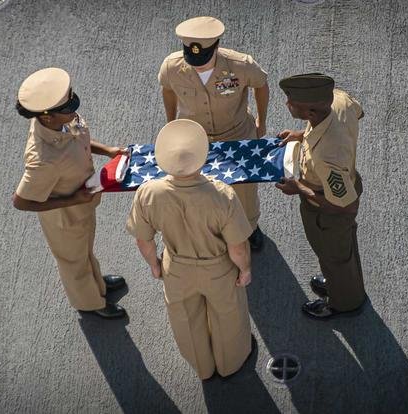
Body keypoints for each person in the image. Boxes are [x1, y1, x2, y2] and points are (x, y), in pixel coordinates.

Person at [127, 119, 253, 379]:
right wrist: (245, 270)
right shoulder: (222, 195)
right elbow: (237, 246)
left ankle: (203, 368)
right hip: (218, 267)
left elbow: (144, 240)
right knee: (228, 315)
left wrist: (154, 265)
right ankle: (230, 363)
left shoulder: (148, 193)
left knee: (185, 319)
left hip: (177, 267)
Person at [12, 67, 126, 319]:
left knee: (85, 251)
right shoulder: (42, 159)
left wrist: (107, 150)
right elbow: (20, 201)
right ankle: (91, 303)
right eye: (67, 109)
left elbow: (77, 138)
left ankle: (98, 284)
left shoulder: (62, 118)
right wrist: (73, 199)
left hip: (83, 204)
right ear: (48, 117)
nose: (74, 111)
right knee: (73, 262)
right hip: (65, 218)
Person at [158, 16, 269, 251]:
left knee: (243, 189)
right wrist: (171, 124)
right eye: (192, 58)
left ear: (216, 47)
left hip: (237, 133)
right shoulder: (172, 66)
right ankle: (214, 229)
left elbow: (261, 84)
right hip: (195, 139)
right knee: (199, 187)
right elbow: (167, 91)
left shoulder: (240, 64)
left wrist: (262, 121)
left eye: (203, 59)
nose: (197, 64)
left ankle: (249, 228)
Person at [275, 73, 366, 318]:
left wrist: (299, 189)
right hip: (342, 185)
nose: (287, 104)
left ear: (312, 113)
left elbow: (344, 207)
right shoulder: (337, 100)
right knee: (342, 254)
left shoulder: (327, 157)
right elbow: (358, 113)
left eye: (291, 103)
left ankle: (344, 302)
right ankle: (341, 283)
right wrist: (302, 135)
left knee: (335, 258)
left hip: (328, 211)